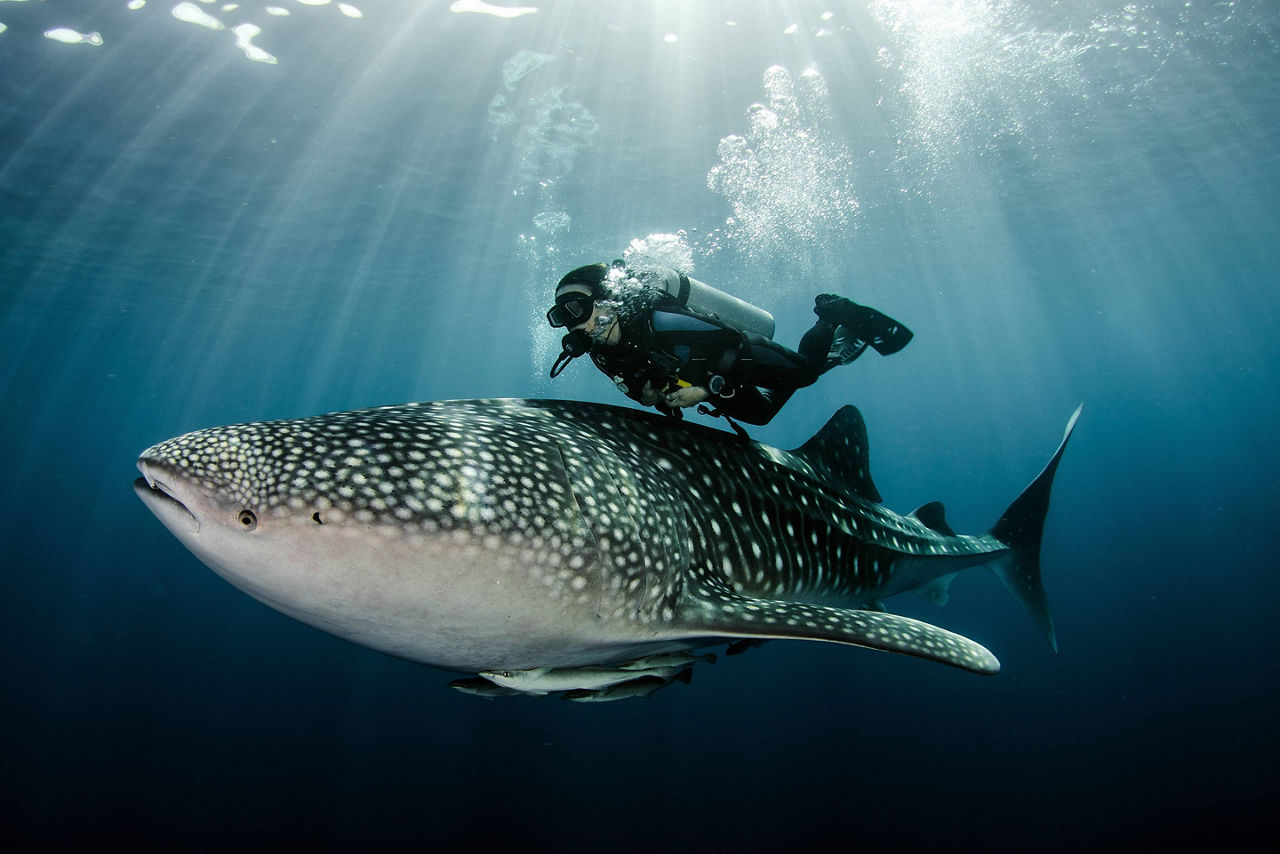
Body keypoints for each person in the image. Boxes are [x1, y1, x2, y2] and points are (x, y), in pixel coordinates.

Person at [546, 260, 912, 426]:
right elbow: (636, 390)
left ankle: (831, 316)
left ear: (607, 297)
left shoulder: (658, 318)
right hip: (706, 382)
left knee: (807, 374)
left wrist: (703, 390)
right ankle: (827, 341)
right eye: (562, 316)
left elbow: (728, 339)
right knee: (762, 416)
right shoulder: (602, 355)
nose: (574, 324)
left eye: (576, 308)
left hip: (736, 355)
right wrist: (653, 395)